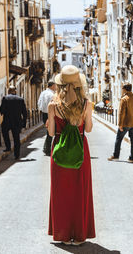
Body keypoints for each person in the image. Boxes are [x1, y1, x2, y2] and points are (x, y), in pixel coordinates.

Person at [47, 65, 95, 245]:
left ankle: (63, 235)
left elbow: (51, 133)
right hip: (81, 151)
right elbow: (88, 129)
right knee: (80, 192)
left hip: (59, 151)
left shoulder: (53, 105)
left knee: (61, 194)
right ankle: (80, 235)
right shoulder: (86, 104)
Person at [108, 83, 133, 162]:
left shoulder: (124, 99)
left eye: (122, 89)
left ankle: (116, 155)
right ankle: (131, 158)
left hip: (126, 123)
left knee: (119, 139)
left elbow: (121, 113)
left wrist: (120, 124)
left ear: (125, 89)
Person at [0, 86, 27, 159]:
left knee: (5, 133)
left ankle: (8, 147)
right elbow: (24, 112)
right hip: (17, 121)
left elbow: (1, 109)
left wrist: (3, 112)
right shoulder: (20, 99)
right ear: (15, 91)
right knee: (16, 138)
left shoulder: (5, 98)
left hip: (7, 121)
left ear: (8, 91)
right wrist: (24, 123)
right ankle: (16, 154)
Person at [37, 80, 57, 155]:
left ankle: (46, 148)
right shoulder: (52, 94)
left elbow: (39, 103)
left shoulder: (43, 93)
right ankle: (47, 149)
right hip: (50, 114)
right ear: (52, 86)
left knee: (49, 131)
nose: (56, 87)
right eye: (55, 85)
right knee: (52, 132)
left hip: (44, 114)